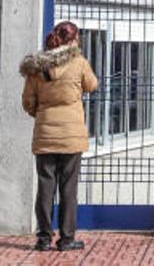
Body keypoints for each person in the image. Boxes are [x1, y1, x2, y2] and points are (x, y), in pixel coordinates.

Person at [20, 21, 99, 252]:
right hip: (71, 137)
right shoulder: (79, 63)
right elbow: (92, 85)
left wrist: (41, 114)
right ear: (73, 40)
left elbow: (28, 102)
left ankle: (43, 238)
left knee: (45, 187)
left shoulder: (36, 67)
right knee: (68, 189)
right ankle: (66, 239)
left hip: (45, 135)